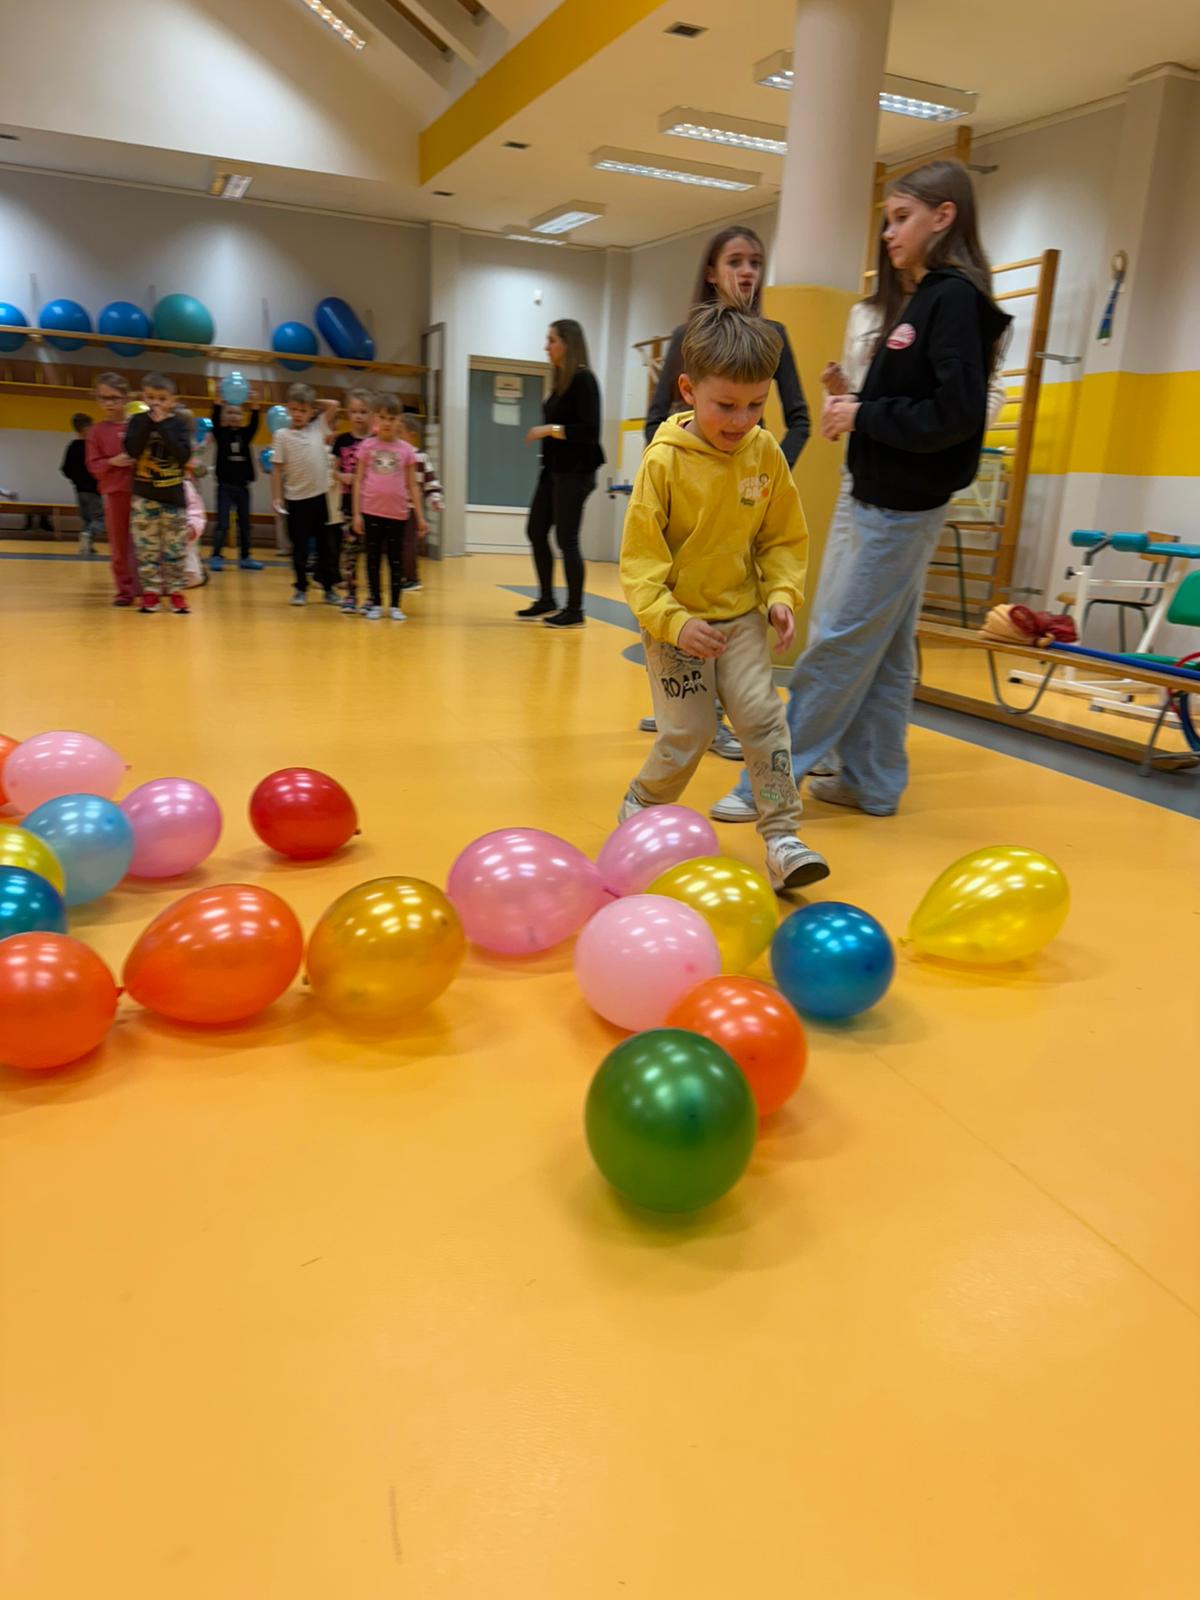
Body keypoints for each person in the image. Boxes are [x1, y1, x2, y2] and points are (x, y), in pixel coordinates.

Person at [712, 159, 1011, 829]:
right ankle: (872, 781)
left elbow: (956, 414)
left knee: (838, 645)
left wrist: (863, 413)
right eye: (887, 219)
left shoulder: (954, 298)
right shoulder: (924, 298)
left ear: (944, 217)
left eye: (902, 218)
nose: (889, 232)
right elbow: (915, 399)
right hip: (881, 495)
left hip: (900, 507)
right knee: (887, 654)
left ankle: (770, 785)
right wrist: (854, 400)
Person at [619, 304, 829, 893]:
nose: (743, 420)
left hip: (738, 619)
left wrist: (781, 594)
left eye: (757, 404)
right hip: (678, 628)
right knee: (686, 735)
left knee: (763, 720)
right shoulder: (663, 462)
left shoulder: (765, 454)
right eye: (727, 405)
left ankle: (782, 838)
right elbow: (639, 565)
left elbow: (781, 537)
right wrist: (672, 622)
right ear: (689, 391)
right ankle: (642, 804)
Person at [641, 226, 810, 759]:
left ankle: (716, 717)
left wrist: (763, 472)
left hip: (747, 501)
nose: (747, 272)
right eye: (735, 261)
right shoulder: (686, 336)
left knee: (759, 710)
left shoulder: (773, 336)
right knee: (686, 729)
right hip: (689, 513)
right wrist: (689, 467)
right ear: (712, 272)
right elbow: (655, 421)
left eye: (755, 262)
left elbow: (800, 420)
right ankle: (690, 708)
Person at [515, 319, 603, 629]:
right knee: (536, 530)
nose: (546, 346)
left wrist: (549, 429)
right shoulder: (561, 382)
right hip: (553, 471)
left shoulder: (584, 380)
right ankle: (547, 599)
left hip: (576, 472)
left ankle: (575, 610)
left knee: (567, 538)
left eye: (551, 340)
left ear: (567, 343)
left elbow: (590, 431)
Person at [351, 393, 426, 622]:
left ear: (399, 420)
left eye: (392, 418)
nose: (387, 423)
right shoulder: (367, 446)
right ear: (375, 418)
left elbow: (412, 485)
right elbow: (358, 480)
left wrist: (420, 517)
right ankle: (375, 603)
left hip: (397, 513)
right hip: (371, 511)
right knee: (373, 560)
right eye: (382, 417)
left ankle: (394, 605)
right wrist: (356, 513)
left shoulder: (406, 450)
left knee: (396, 561)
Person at [124, 374, 192, 614]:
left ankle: (176, 592)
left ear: (173, 400)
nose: (156, 403)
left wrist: (163, 425)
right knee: (146, 548)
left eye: (162, 399)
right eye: (151, 397)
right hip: (144, 496)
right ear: (143, 397)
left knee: (176, 549)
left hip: (173, 498)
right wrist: (147, 424)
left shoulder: (179, 424)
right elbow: (132, 450)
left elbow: (183, 456)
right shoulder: (137, 421)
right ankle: (150, 591)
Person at [271, 384, 340, 607]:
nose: (298, 414)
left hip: (319, 498)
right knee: (299, 548)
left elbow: (334, 405)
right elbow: (277, 469)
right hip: (296, 500)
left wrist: (313, 403)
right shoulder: (281, 435)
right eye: (294, 409)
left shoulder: (318, 428)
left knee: (325, 547)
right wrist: (276, 496)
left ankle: (328, 588)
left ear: (311, 412)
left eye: (303, 410)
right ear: (288, 409)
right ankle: (300, 588)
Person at [85, 372, 138, 606]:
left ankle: (149, 586)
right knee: (119, 543)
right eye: (103, 398)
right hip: (115, 493)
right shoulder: (96, 431)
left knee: (146, 541)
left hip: (142, 492)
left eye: (114, 398)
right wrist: (113, 462)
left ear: (126, 398)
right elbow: (93, 465)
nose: (109, 403)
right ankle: (124, 590)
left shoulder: (137, 425)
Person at [332, 387, 374, 613]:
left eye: (364, 412)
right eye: (354, 411)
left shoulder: (377, 441)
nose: (358, 416)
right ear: (348, 413)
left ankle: (372, 596)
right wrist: (342, 476)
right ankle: (350, 594)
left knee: (372, 552)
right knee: (349, 551)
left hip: (373, 505)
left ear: (372, 414)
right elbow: (334, 470)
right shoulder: (342, 440)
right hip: (349, 504)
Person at [209, 395, 261, 570]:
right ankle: (216, 556)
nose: (233, 416)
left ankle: (245, 557)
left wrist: (255, 406)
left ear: (242, 416)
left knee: (245, 524)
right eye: (230, 412)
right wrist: (217, 405)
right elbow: (215, 420)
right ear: (224, 416)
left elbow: (255, 424)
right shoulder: (220, 433)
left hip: (242, 487)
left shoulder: (245, 434)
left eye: (237, 413)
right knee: (222, 524)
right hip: (225, 487)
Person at [400, 414, 443, 594]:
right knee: (397, 545)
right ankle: (402, 576)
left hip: (410, 509)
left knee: (408, 544)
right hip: (392, 508)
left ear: (411, 435)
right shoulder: (393, 454)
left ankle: (412, 578)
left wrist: (436, 499)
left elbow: (431, 482)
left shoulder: (420, 457)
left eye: (400, 432)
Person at [60, 413, 104, 558]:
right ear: (87, 428)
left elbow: (65, 469)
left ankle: (87, 547)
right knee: (100, 518)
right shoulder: (93, 447)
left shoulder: (72, 446)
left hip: (79, 490)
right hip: (94, 490)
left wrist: (76, 479)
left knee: (86, 519)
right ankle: (88, 534)